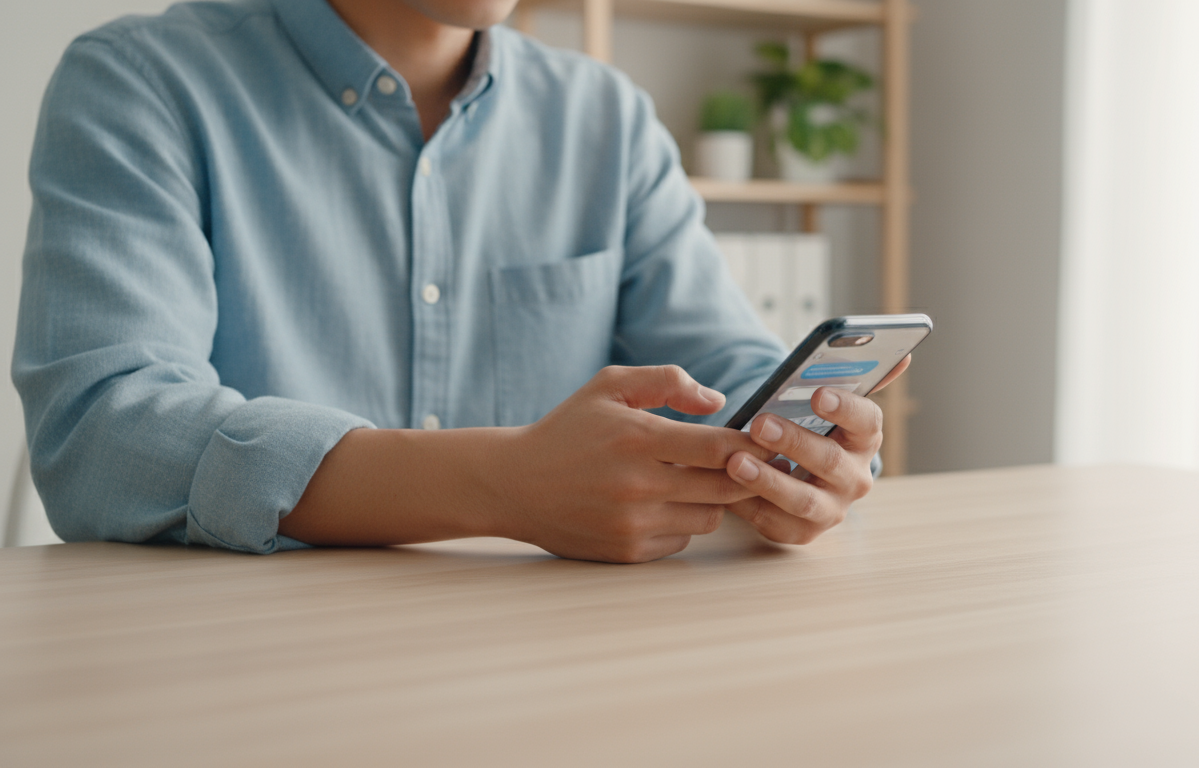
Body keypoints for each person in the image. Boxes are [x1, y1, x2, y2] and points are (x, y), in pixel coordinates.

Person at [11, 0, 910, 563]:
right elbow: (102, 433)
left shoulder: (606, 119)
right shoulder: (141, 83)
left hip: (547, 668)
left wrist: (801, 452)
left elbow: (725, 359)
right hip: (241, 677)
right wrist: (499, 484)